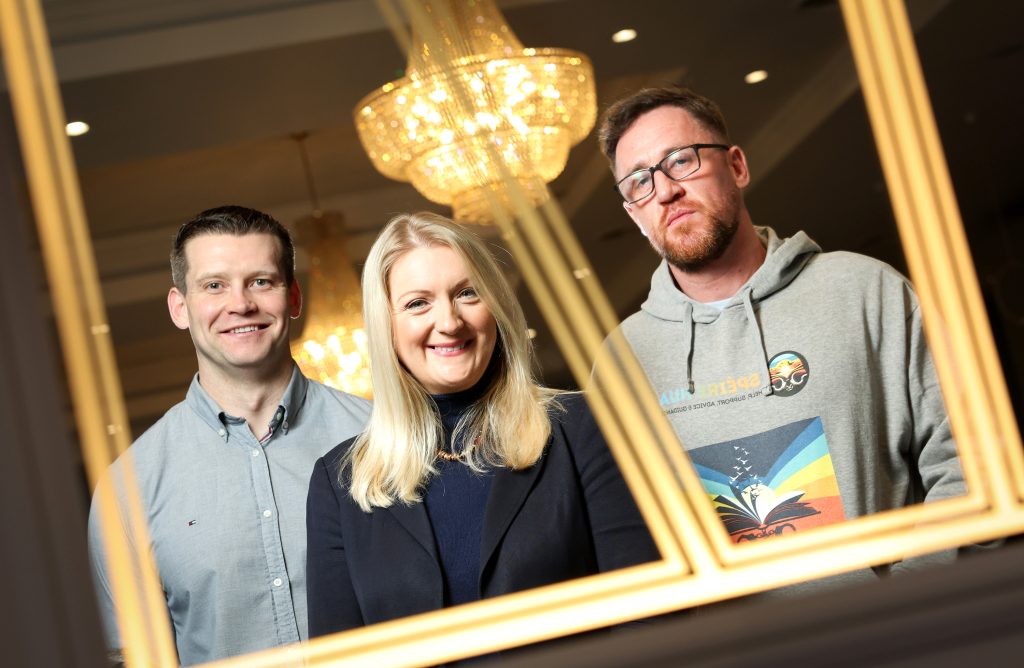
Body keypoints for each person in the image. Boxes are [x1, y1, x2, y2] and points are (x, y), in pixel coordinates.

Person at [594, 87, 964, 580]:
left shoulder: (864, 290)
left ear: (737, 166)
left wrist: (913, 602)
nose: (664, 191)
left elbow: (967, 458)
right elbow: (616, 540)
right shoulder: (622, 360)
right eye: (639, 181)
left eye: (680, 160)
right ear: (632, 213)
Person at [305, 212, 658, 636]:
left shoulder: (585, 426)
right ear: (387, 328)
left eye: (467, 293)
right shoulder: (339, 482)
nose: (449, 322)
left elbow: (650, 615)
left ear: (496, 305)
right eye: (418, 303)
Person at [88, 206, 371, 665]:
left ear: (293, 297)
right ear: (179, 307)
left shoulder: (379, 434)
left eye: (261, 281)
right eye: (214, 285)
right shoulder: (128, 488)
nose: (240, 304)